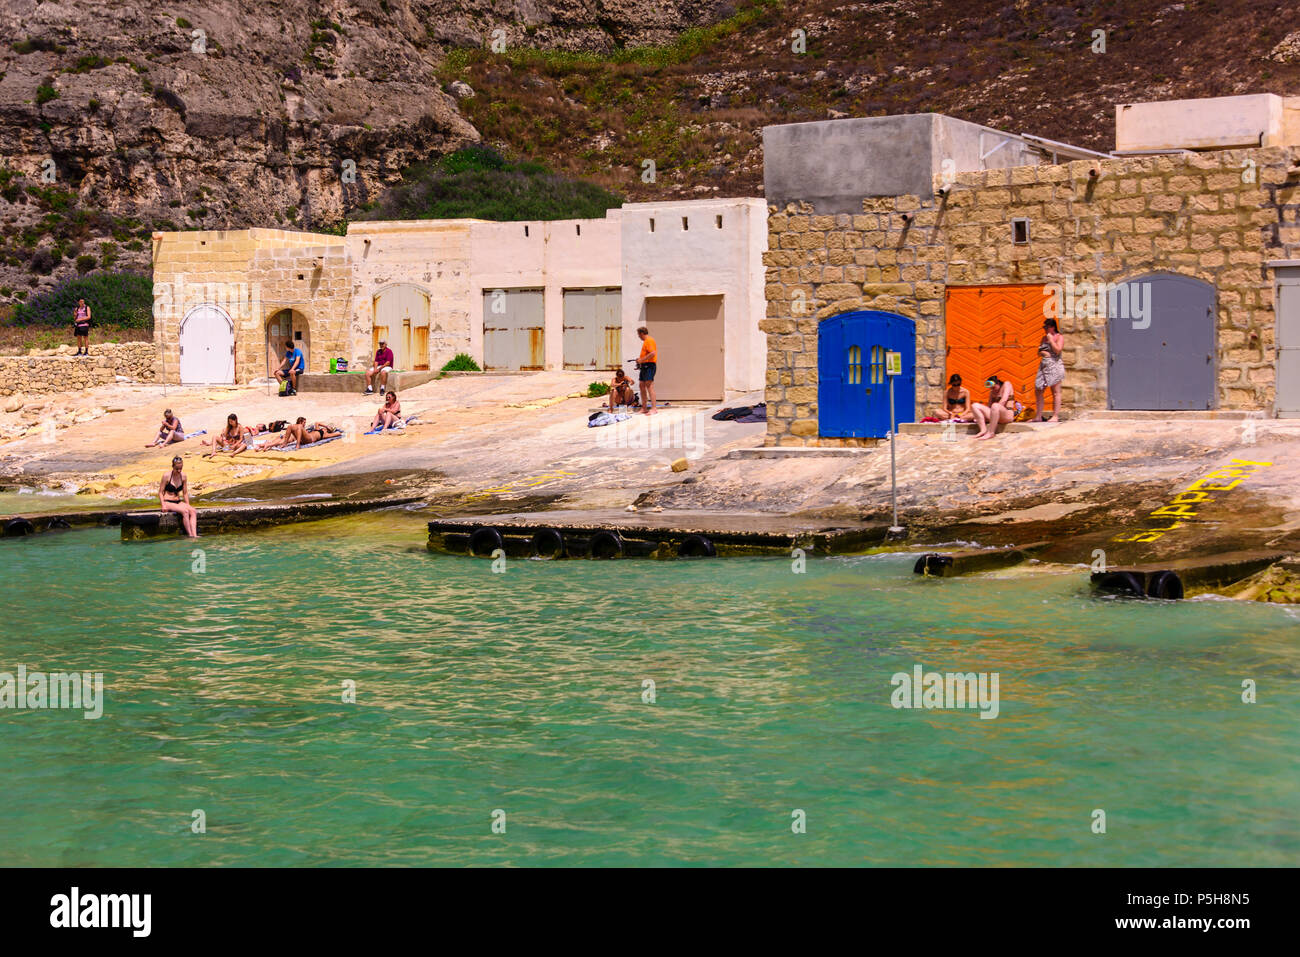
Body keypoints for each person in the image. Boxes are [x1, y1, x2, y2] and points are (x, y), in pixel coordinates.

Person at [159, 455, 199, 538]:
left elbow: (185, 493)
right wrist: (163, 505)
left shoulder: (183, 476)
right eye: (177, 468)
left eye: (181, 468)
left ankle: (195, 535)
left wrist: (188, 504)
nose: (179, 470)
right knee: (185, 512)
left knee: (193, 511)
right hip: (168, 502)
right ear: (173, 466)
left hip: (178, 501)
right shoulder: (166, 476)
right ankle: (190, 535)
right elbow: (160, 492)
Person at [1034, 318, 1066, 422]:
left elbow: (1057, 350)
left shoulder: (1059, 337)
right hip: (1044, 364)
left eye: (1046, 327)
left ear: (1052, 327)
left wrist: (1051, 340)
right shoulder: (1044, 338)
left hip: (1054, 365)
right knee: (1038, 389)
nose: (1044, 329)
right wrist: (1043, 353)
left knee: (1055, 391)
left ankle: (1055, 416)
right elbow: (1039, 351)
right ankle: (1038, 416)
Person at [972, 375, 1015, 440]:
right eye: (991, 388)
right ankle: (983, 430)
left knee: (995, 405)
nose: (992, 390)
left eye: (994, 387)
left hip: (1007, 414)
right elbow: (989, 407)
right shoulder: (992, 392)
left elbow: (1004, 400)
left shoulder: (1006, 384)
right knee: (974, 405)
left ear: (997, 383)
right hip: (996, 414)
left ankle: (991, 433)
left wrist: (994, 409)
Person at [635, 326, 657, 415]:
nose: (638, 336)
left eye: (638, 335)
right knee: (641, 385)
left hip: (649, 366)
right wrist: (640, 361)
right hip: (644, 366)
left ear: (642, 333)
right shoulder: (645, 342)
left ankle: (654, 408)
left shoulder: (649, 341)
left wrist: (642, 359)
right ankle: (644, 408)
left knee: (649, 386)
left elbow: (653, 353)